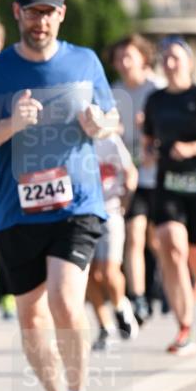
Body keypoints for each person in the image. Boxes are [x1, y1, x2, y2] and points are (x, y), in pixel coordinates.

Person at [0, 0, 119, 391]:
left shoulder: (85, 63)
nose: (40, 21)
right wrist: (10, 124)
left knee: (65, 298)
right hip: (17, 210)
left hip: (77, 204)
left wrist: (99, 123)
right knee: (31, 319)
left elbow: (111, 120)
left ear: (61, 15)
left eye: (48, 13)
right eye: (32, 11)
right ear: (17, 12)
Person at [143, 36, 196, 355]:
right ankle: (184, 327)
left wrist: (194, 148)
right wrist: (148, 154)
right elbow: (148, 138)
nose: (169, 64)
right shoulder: (155, 101)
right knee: (171, 246)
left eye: (175, 58)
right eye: (165, 58)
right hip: (168, 187)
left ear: (189, 62)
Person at [110, 34, 162, 324]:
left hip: (160, 175)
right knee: (134, 235)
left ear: (144, 57)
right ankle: (138, 297)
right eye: (119, 58)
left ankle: (166, 288)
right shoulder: (114, 92)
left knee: (160, 241)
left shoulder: (157, 89)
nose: (123, 62)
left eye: (129, 56)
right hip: (132, 176)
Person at [87, 133, 139, 351]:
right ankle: (104, 327)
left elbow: (131, 173)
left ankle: (120, 307)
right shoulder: (67, 141)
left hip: (110, 212)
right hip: (81, 216)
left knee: (108, 271)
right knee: (88, 274)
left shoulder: (110, 141)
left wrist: (125, 203)